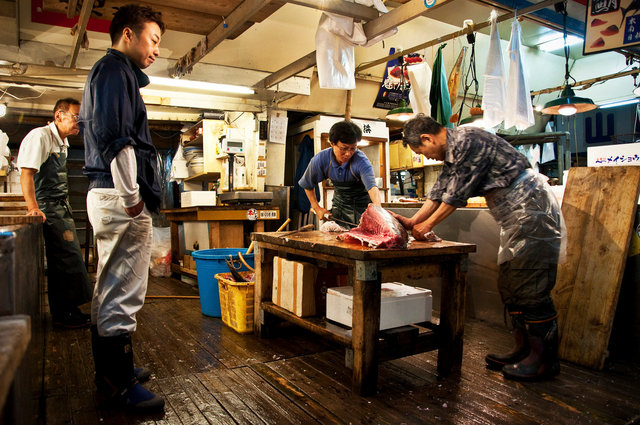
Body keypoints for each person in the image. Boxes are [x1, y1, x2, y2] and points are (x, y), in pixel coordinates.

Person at [391, 114, 564, 381]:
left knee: (530, 285)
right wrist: (414, 220)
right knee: (511, 284)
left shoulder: (468, 141)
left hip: (533, 214)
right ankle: (523, 349)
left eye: (421, 150)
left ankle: (544, 360)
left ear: (427, 138)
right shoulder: (453, 151)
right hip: (515, 219)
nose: (425, 156)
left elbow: (456, 195)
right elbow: (440, 191)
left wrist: (428, 226)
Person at [80, 4, 165, 412]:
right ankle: (119, 386)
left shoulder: (112, 73)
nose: (156, 51)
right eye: (153, 40)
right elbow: (118, 137)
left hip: (104, 194)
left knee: (107, 287)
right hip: (119, 196)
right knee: (122, 294)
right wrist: (133, 198)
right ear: (127, 35)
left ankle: (112, 372)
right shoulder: (115, 71)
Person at [17, 98, 92, 329]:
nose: (79, 123)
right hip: (48, 208)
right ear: (59, 116)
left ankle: (69, 309)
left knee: (70, 258)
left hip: (61, 206)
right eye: (76, 118)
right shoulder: (40, 136)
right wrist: (33, 208)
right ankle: (63, 315)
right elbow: (26, 174)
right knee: (65, 260)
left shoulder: (63, 143)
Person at [298, 120, 381, 227]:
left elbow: (372, 187)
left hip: (362, 207)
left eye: (353, 148)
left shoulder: (361, 160)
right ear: (332, 144)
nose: (348, 153)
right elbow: (307, 184)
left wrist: (378, 211)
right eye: (344, 148)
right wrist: (316, 207)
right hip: (339, 206)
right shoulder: (321, 159)